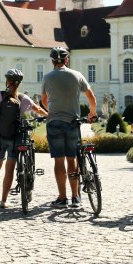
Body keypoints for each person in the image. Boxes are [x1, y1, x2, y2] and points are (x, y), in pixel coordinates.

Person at [40, 47, 97, 208]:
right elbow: (91, 97)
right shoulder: (77, 75)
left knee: (59, 160)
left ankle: (62, 198)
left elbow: (43, 100)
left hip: (54, 122)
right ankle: (75, 197)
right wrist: (92, 113)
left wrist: (51, 111)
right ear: (66, 60)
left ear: (52, 61)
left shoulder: (47, 77)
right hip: (72, 122)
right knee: (71, 159)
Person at [0, 68, 47, 209]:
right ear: (19, 83)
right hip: (15, 137)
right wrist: (48, 114)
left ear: (7, 82)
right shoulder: (23, 99)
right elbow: (37, 110)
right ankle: (3, 201)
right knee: (10, 169)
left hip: (0, 136)